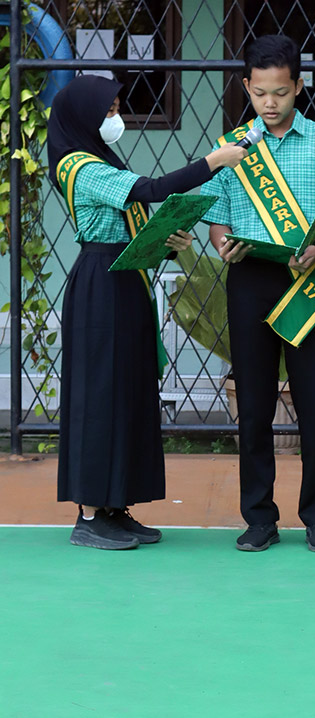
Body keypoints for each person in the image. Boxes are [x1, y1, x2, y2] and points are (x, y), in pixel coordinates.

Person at [49, 74, 248, 550]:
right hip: (100, 284)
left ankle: (117, 507)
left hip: (124, 278)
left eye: (117, 107)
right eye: (108, 109)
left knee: (129, 392)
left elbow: (130, 227)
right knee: (100, 396)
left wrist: (168, 242)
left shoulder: (99, 159)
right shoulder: (78, 165)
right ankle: (91, 514)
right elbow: (151, 189)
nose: (115, 117)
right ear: (83, 115)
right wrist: (214, 162)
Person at [206, 33, 315, 553]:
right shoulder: (232, 149)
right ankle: (259, 518)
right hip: (250, 277)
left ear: (299, 85)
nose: (269, 104)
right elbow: (218, 221)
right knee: (253, 404)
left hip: (308, 280)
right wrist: (224, 243)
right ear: (245, 87)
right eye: (258, 93)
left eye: (279, 92)